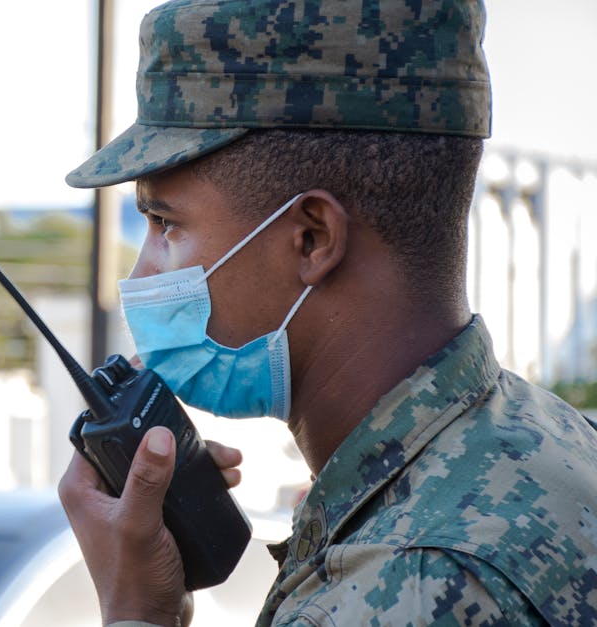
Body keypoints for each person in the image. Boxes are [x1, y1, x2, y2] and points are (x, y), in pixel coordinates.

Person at [56, 1, 597, 625]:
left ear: (312, 238)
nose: (141, 276)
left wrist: (134, 611)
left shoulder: (400, 589)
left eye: (164, 223)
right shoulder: (555, 436)